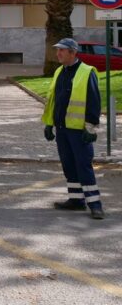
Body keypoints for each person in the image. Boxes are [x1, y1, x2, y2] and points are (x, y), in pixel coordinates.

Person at [42, 38, 104, 220]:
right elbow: (54, 100)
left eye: (62, 50)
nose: (58, 54)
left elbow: (94, 102)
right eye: (57, 50)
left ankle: (95, 205)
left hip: (79, 131)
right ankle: (76, 201)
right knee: (69, 166)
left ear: (73, 52)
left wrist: (90, 128)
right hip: (62, 129)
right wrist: (49, 124)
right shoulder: (60, 71)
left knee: (83, 166)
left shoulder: (86, 72)